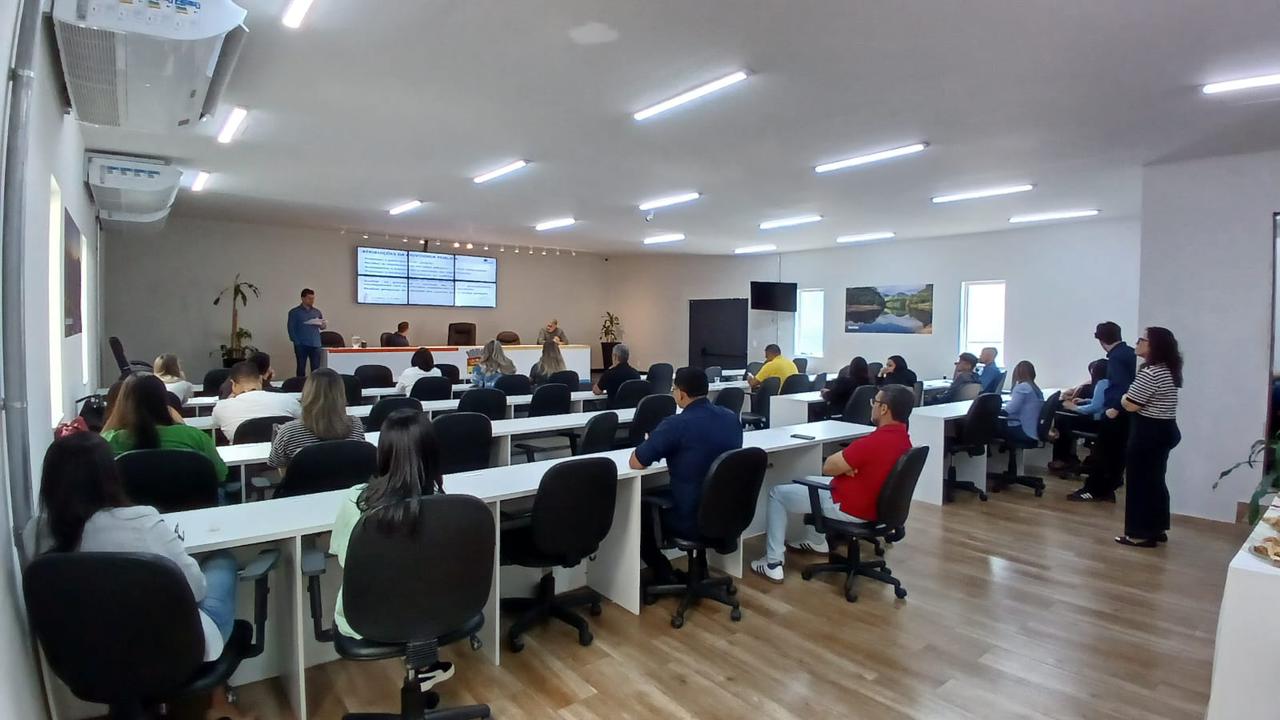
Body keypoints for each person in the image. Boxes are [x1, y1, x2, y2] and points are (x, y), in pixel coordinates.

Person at [23, 434, 252, 720]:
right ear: (110, 475)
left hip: (82, 660)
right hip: (172, 653)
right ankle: (219, 695)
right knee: (222, 561)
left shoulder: (33, 534)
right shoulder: (140, 521)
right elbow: (196, 589)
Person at [328, 410, 455, 688]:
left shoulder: (357, 500)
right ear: (433, 452)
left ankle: (422, 666)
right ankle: (423, 665)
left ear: (382, 452)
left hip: (366, 620)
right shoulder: (447, 505)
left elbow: (346, 560)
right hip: (437, 614)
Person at [750, 384, 914, 583]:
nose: (872, 406)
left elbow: (829, 467)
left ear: (884, 408)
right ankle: (816, 541)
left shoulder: (873, 442)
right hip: (875, 506)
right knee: (810, 479)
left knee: (777, 493)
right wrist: (848, 466)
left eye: (875, 402)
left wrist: (845, 465)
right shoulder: (905, 441)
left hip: (849, 505)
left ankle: (772, 563)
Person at [629, 368, 742, 584]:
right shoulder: (730, 418)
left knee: (639, 509)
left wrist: (653, 440)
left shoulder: (675, 424)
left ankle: (664, 573)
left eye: (674, 389)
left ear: (681, 393)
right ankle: (699, 569)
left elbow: (636, 462)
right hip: (727, 513)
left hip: (690, 519)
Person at [1115, 327, 1182, 547]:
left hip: (1148, 434)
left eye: (1141, 340)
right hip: (1164, 431)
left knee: (1140, 484)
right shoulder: (1167, 370)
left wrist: (1124, 398)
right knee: (1155, 482)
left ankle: (1140, 534)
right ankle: (1157, 528)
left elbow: (1130, 404)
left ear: (1154, 346)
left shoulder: (1151, 373)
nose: (1136, 343)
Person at [102, 373, 227, 482]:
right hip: (190, 502)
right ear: (164, 400)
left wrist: (115, 417)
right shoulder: (194, 436)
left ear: (122, 404)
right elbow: (220, 474)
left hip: (131, 503)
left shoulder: (109, 441)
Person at [1069, 322, 1137, 502]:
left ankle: (1093, 490)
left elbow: (1121, 386)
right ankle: (1108, 489)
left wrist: (1115, 408)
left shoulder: (1116, 358)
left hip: (1116, 412)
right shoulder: (1129, 353)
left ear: (1100, 340)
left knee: (1103, 453)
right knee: (1116, 454)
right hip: (1127, 413)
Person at [268, 368, 366, 472]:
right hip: (347, 482)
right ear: (341, 394)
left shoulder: (288, 432)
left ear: (307, 393)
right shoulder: (356, 425)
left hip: (303, 482)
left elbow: (279, 468)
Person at [212, 361, 301, 442]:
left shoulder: (222, 407)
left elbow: (216, 424)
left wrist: (229, 400)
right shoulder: (288, 400)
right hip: (286, 453)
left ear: (233, 384)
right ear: (260, 379)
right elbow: (302, 420)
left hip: (244, 454)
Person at [1050, 359, 1109, 473]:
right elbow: (1100, 402)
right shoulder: (1109, 382)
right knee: (1064, 417)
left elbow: (1095, 407)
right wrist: (1084, 401)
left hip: (1095, 423)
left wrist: (1075, 408)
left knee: (1061, 419)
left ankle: (1063, 458)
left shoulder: (1102, 384)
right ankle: (1069, 457)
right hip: (1101, 421)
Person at [998, 361, 1044, 444]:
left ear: (1017, 374)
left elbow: (1011, 409)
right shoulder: (1036, 388)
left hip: (1022, 429)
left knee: (988, 424)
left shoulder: (1022, 387)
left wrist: (998, 410)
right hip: (1034, 429)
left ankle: (987, 450)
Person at [287, 288, 326, 377]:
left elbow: (322, 327)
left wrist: (323, 325)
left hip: (315, 343)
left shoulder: (317, 312)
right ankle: (300, 384)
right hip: (301, 344)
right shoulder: (294, 312)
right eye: (309, 298)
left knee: (316, 369)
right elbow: (291, 328)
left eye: (313, 298)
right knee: (301, 368)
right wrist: (296, 342)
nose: (312, 300)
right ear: (303, 298)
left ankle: (315, 384)